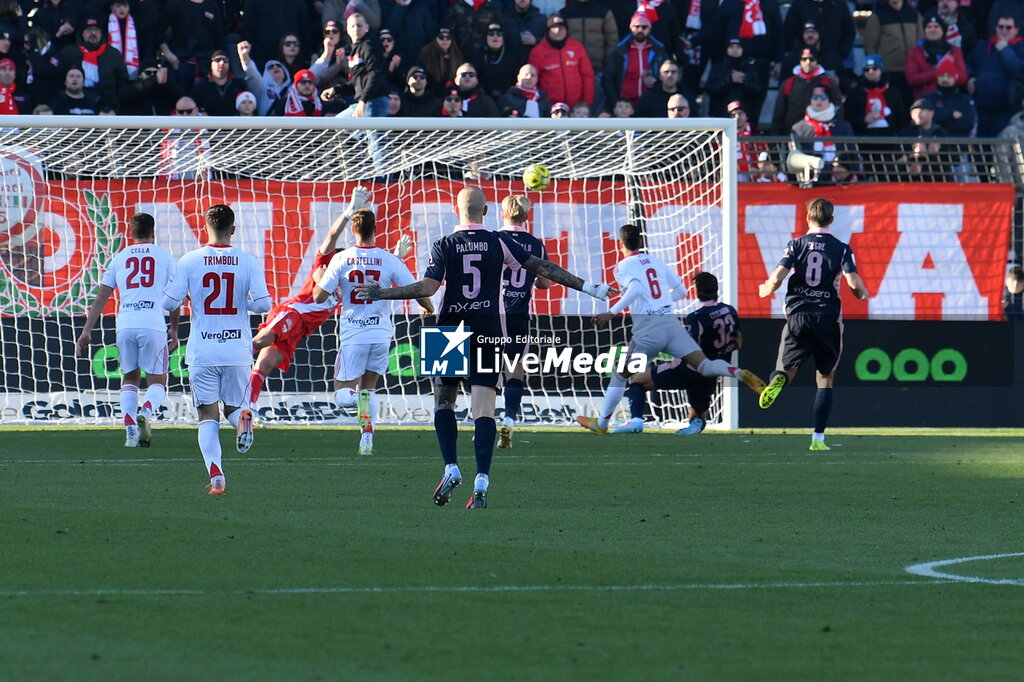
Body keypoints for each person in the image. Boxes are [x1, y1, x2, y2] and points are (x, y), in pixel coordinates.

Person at [354, 186, 615, 510]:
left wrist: (382, 294)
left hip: (449, 327)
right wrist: (590, 287)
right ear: (487, 211)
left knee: (444, 403)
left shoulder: (445, 244)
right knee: (484, 408)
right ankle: (482, 478)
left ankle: (451, 466)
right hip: (488, 328)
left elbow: (428, 287)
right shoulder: (499, 241)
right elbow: (543, 269)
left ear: (456, 209)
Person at [577, 224, 765, 435]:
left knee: (621, 375)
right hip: (671, 325)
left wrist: (611, 312)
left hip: (648, 330)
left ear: (621, 245)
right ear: (640, 242)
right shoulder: (656, 261)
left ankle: (604, 424)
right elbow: (682, 290)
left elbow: (637, 288)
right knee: (704, 365)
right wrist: (662, 303)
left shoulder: (623, 266)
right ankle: (737, 372)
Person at [161, 204, 272, 495]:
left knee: (207, 415)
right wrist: (240, 304)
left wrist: (189, 297)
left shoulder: (190, 260)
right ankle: (244, 420)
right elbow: (263, 305)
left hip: (203, 350)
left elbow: (168, 304)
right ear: (233, 229)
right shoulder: (247, 260)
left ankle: (217, 475)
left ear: (205, 227)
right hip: (237, 349)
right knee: (235, 407)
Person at [245, 188, 373, 429]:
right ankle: (225, 362)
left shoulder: (347, 280)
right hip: (293, 313)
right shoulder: (326, 263)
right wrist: (349, 212)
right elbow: (332, 236)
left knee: (263, 366)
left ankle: (248, 409)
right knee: (261, 340)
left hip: (301, 330)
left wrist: (395, 256)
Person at [311, 207, 431, 456]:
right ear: (376, 229)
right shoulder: (389, 259)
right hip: (381, 335)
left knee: (344, 396)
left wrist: (318, 277)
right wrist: (428, 308)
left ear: (353, 230)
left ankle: (362, 407)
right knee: (368, 390)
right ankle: (367, 438)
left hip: (354, 335)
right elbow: (418, 289)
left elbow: (318, 297)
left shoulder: (342, 259)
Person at [757, 197, 869, 451]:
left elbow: (776, 279)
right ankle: (818, 439)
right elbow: (853, 283)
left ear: (807, 218)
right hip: (827, 317)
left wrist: (765, 289)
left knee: (786, 368)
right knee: (825, 377)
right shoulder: (841, 248)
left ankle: (778, 380)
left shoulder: (796, 245)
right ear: (831, 220)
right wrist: (862, 294)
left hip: (798, 314)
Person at [75, 213, 178, 448]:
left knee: (129, 378)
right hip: (152, 323)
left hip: (125, 324)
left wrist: (86, 331)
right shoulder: (165, 257)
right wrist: (173, 328)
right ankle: (147, 412)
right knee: (157, 382)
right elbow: (175, 296)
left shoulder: (119, 257)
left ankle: (130, 431)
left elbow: (102, 296)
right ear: (153, 232)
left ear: (131, 233)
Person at [617, 272, 742, 435]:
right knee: (698, 412)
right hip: (714, 371)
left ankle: (636, 421)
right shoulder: (729, 310)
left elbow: (687, 348)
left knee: (638, 381)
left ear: (697, 292)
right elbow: (738, 342)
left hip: (691, 368)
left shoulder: (695, 317)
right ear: (716, 289)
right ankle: (696, 424)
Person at [495, 195, 552, 448]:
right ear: (526, 217)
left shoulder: (492, 239)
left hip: (492, 313)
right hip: (519, 313)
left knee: (484, 372)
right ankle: (509, 418)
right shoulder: (536, 245)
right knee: (515, 371)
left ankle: (483, 423)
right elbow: (545, 283)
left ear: (502, 213)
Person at [529, 14, 595, 108]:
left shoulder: (577, 47)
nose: (557, 31)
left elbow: (587, 76)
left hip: (576, 108)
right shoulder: (537, 52)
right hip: (551, 108)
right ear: (547, 31)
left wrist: (587, 103)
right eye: (554, 28)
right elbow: (533, 82)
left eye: (561, 28)